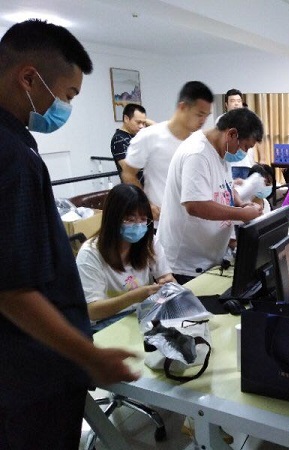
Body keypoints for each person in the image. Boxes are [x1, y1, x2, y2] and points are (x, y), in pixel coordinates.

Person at [0, 19, 138, 449]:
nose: (66, 107)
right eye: (68, 95)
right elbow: (12, 290)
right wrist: (88, 356)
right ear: (28, 78)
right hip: (30, 374)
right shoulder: (12, 156)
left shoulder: (16, 143)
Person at [158, 107, 264, 284]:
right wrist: (241, 214)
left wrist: (240, 203)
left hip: (208, 258)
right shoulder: (197, 154)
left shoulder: (222, 150)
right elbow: (195, 205)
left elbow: (224, 186)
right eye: (245, 146)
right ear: (232, 134)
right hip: (186, 264)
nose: (244, 153)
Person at [76, 184, 175, 332]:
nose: (138, 226)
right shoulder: (90, 254)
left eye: (143, 219)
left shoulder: (149, 242)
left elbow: (166, 277)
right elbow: (92, 310)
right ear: (113, 219)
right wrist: (134, 297)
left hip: (144, 313)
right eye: (130, 219)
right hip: (107, 323)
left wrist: (168, 283)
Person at [121, 81, 214, 223]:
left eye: (206, 116)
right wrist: (146, 204)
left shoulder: (201, 142)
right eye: (199, 114)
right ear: (183, 107)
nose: (203, 121)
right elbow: (128, 174)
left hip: (193, 222)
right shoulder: (150, 136)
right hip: (161, 222)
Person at [216, 88, 260, 180]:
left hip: (247, 164)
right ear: (226, 104)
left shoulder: (249, 119)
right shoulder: (221, 120)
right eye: (232, 101)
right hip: (230, 164)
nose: (236, 104)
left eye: (238, 101)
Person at [111, 103, 153, 184]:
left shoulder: (137, 135)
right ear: (126, 119)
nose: (141, 126)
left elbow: (160, 131)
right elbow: (128, 172)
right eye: (138, 122)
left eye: (143, 123)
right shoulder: (119, 139)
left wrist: (143, 120)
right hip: (136, 188)